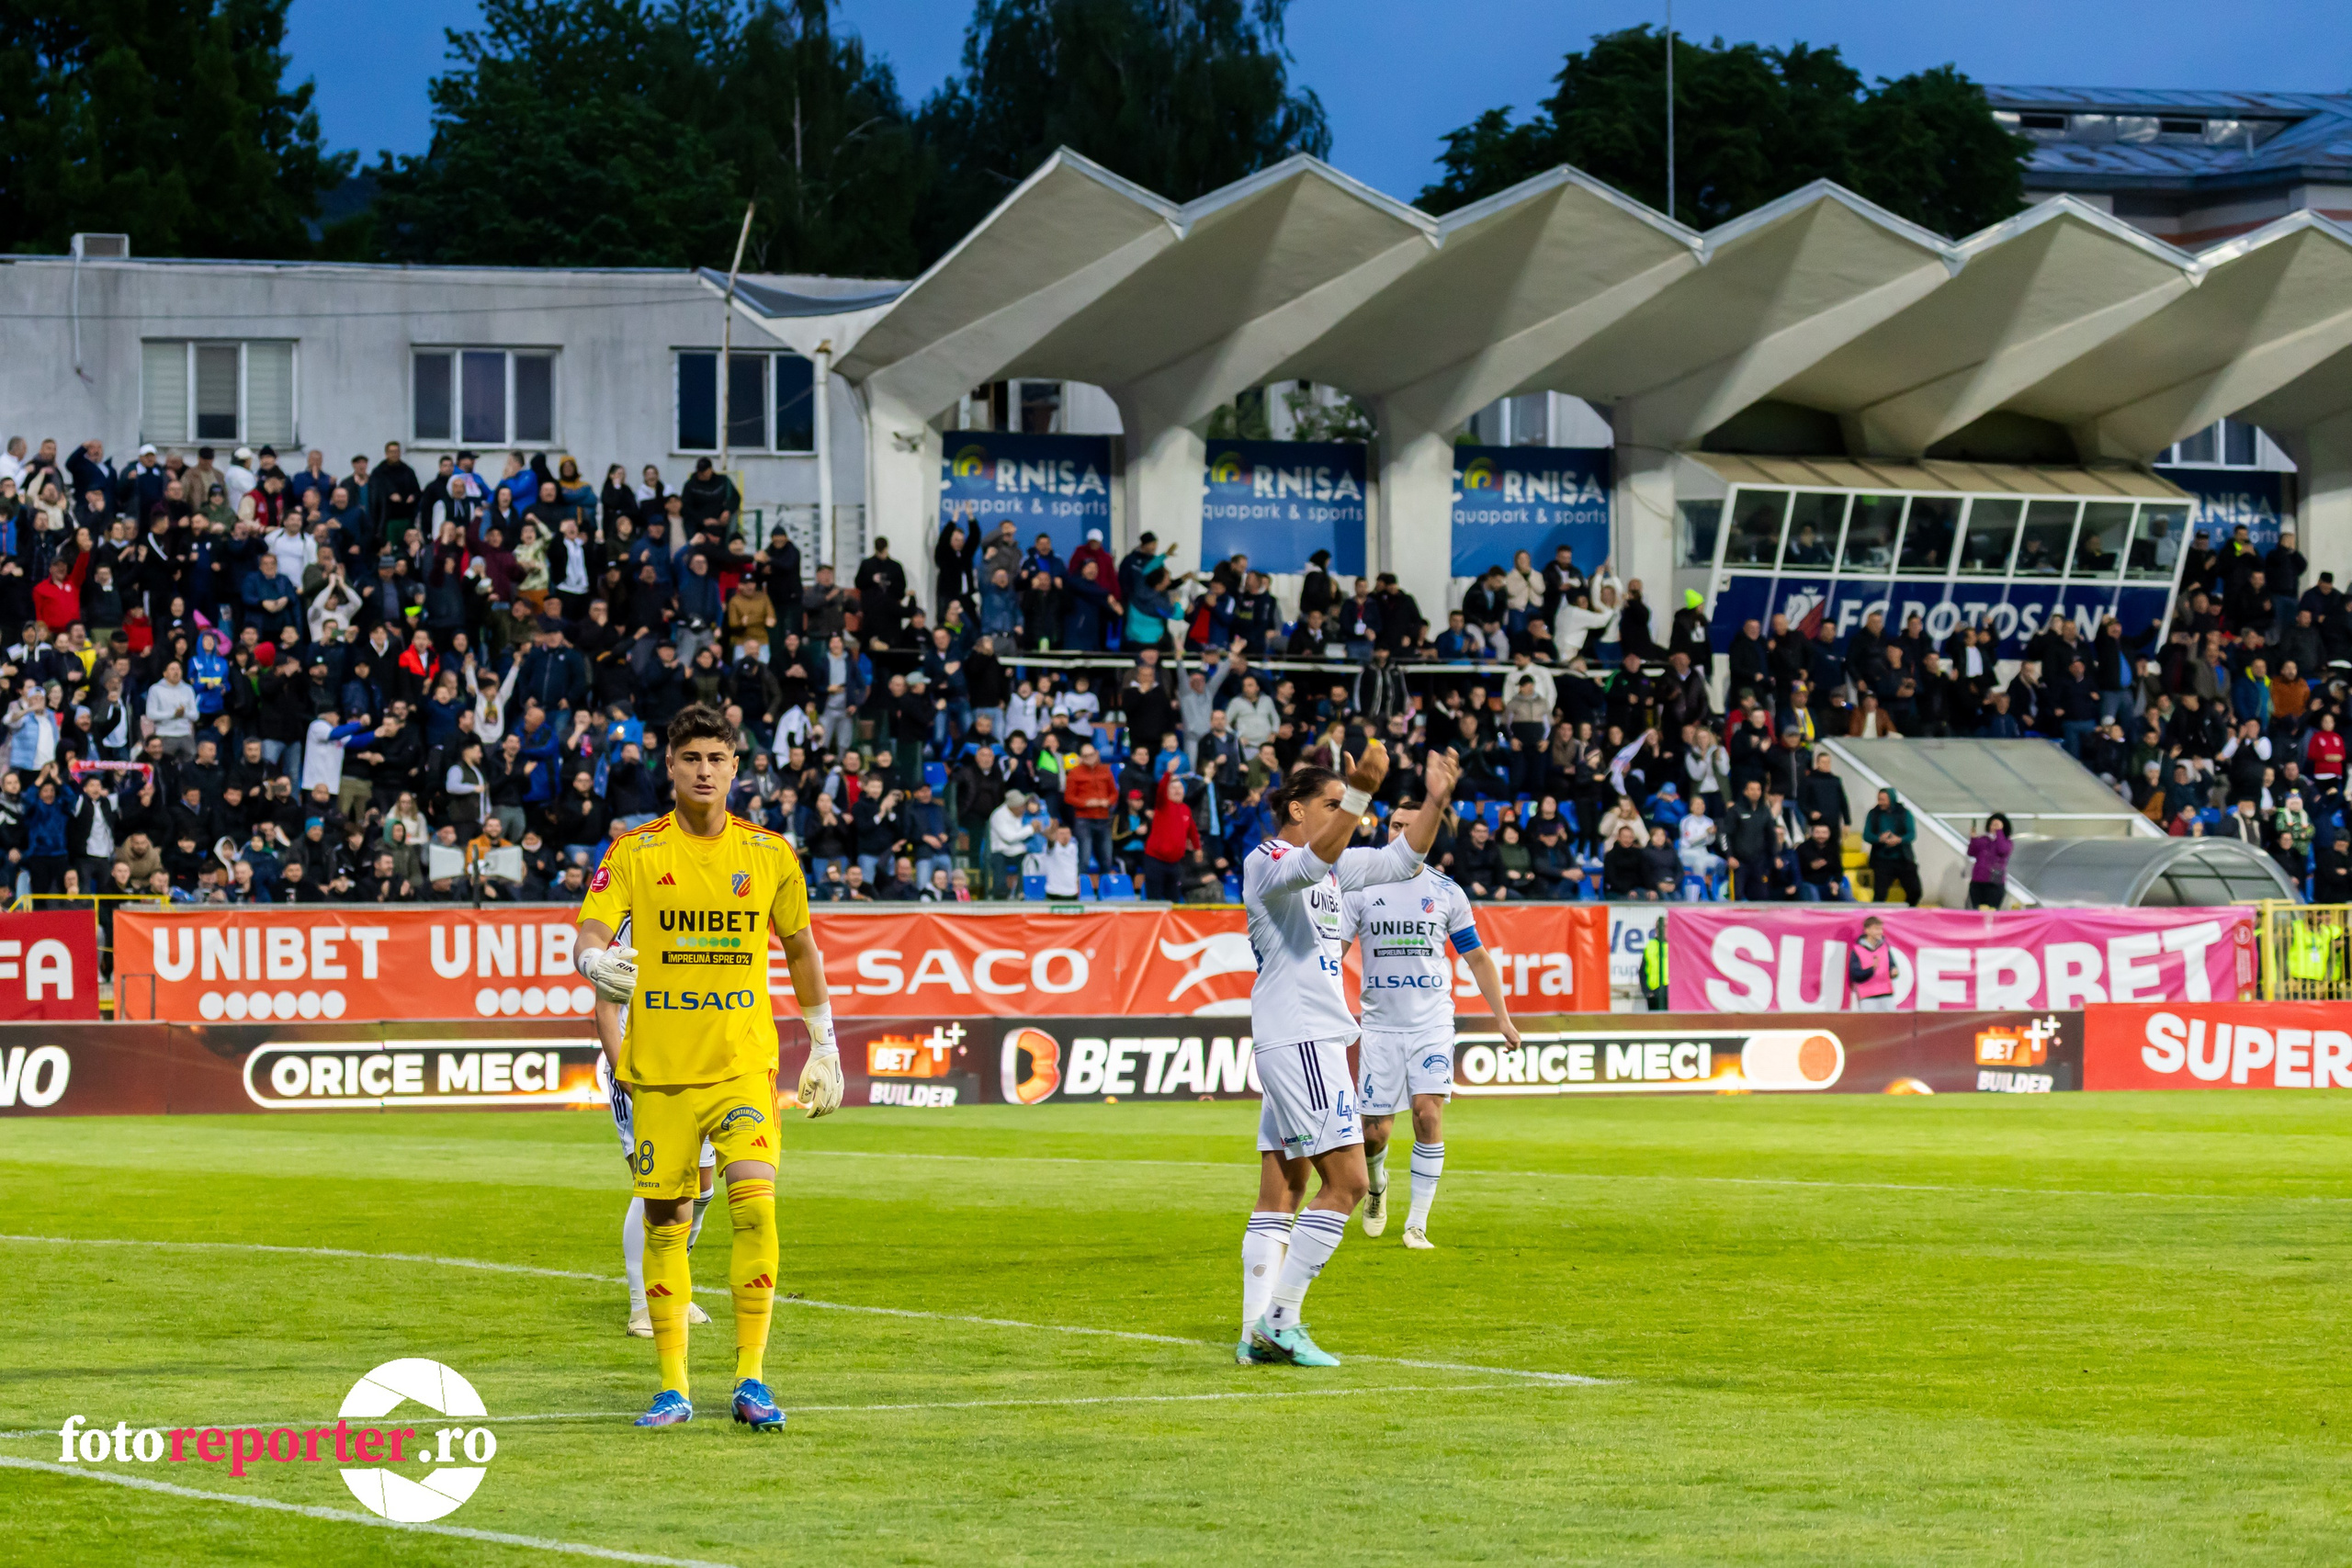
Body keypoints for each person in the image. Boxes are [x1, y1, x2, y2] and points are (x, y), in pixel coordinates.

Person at [573, 703, 843, 1431]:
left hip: (741, 1066)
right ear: (670, 764)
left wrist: (824, 1041)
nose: (703, 770)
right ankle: (672, 1386)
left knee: (756, 1203)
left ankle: (752, 1378)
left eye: (715, 758)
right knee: (668, 1224)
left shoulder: (769, 853)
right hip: (660, 1070)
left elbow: (801, 948)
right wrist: (593, 960)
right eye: (689, 757)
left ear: (734, 767)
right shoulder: (636, 852)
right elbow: (592, 929)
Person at [1237, 739, 1460, 1369]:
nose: (1349, 815)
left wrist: (1437, 800)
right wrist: (1359, 787)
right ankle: (1281, 1321)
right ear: (1298, 809)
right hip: (1304, 1037)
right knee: (1352, 1181)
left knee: (1283, 1187)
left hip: (1302, 1038)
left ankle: (1254, 1326)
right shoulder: (1269, 860)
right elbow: (1310, 865)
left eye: (1351, 805)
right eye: (1333, 804)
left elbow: (1403, 855)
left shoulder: (1336, 867)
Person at [1339, 792, 1519, 1249]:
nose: (1400, 834)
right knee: (1373, 1133)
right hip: (1379, 1026)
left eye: (1409, 827)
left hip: (1432, 1024)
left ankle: (1416, 1224)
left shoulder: (1446, 892)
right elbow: (1333, 956)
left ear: (1428, 834)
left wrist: (1504, 1019)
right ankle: (1377, 1186)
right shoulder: (1362, 888)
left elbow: (1476, 957)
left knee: (1426, 1114)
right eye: (1395, 826)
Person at [596, 975, 717, 1339]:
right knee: (652, 1188)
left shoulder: (698, 940)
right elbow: (605, 1006)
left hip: (693, 1071)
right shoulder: (634, 933)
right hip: (642, 1071)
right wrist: (624, 1076)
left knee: (702, 1188)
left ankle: (672, 1290)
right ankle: (642, 1307)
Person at [1864, 787, 1921, 906]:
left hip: (1903, 860)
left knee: (1915, 891)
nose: (1881, 802)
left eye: (1884, 800)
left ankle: (1907, 914)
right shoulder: (1874, 814)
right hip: (1882, 861)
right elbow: (1867, 835)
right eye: (1879, 799)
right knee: (1879, 895)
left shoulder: (1905, 813)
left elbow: (1911, 834)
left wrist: (1899, 840)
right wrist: (1880, 839)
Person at [1849, 915, 1902, 1011]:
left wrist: (1894, 971)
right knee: (1870, 1025)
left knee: (1891, 1023)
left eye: (1881, 929)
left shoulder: (1885, 947)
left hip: (1886, 994)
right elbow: (1855, 975)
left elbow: (1892, 965)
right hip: (1868, 997)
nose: (1880, 932)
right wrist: (1871, 969)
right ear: (1867, 930)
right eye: (1876, 929)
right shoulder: (1857, 950)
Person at [1965, 812, 2013, 910]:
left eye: (1997, 825)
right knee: (1976, 909)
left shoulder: (2007, 842)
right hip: (1978, 881)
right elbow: (1971, 852)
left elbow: (2002, 850)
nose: (1994, 827)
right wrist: (1973, 839)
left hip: (1995, 882)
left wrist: (1999, 833)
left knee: (1992, 910)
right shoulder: (1983, 840)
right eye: (1992, 824)